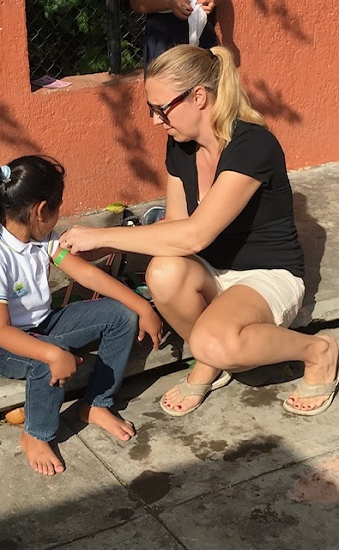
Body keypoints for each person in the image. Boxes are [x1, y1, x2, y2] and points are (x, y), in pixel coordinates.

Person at [60, 45, 339, 418]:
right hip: (210, 270)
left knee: (214, 340)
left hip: (265, 274)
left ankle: (318, 351)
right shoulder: (181, 145)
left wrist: (101, 236)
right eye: (151, 109)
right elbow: (176, 229)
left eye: (162, 109)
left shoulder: (253, 145)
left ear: (199, 97)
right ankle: (210, 358)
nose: (156, 120)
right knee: (163, 270)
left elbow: (195, 236)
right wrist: (116, 249)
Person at [0, 156, 162, 476]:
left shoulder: (41, 238)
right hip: (0, 347)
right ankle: (36, 433)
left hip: (44, 324)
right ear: (40, 210)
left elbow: (88, 276)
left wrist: (142, 306)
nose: (60, 214)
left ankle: (96, 404)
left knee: (121, 315)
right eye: (59, 206)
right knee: (45, 360)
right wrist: (52, 352)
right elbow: (1, 332)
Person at [130, 0, 224, 74]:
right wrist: (169, 3)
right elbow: (137, 3)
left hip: (202, 33)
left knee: (206, 90)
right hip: (165, 35)